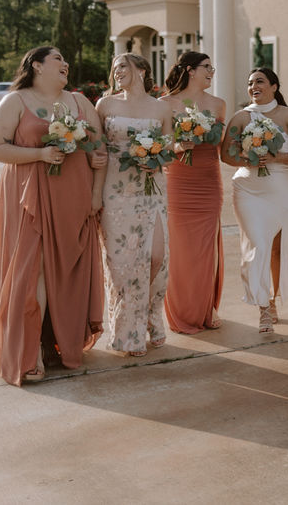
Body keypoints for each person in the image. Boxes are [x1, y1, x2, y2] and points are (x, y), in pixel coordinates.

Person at [0, 46, 105, 385]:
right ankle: (31, 353)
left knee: (67, 271)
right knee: (32, 271)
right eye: (57, 59)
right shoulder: (15, 102)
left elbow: (99, 150)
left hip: (74, 199)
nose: (65, 64)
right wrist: (41, 152)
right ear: (36, 65)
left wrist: (96, 195)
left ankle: (56, 342)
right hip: (30, 198)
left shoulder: (80, 102)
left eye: (66, 60)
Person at [97, 53, 175, 356]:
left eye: (123, 66)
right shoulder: (105, 105)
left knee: (156, 256)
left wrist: (154, 158)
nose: (117, 72)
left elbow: (169, 150)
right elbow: (96, 150)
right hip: (115, 192)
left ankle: (153, 314)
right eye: (114, 67)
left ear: (141, 70)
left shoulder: (161, 107)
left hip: (150, 189)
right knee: (122, 264)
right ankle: (129, 332)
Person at [221, 68, 288, 334]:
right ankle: (263, 307)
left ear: (273, 85)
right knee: (257, 245)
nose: (253, 86)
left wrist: (276, 158)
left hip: (283, 189)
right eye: (249, 83)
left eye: (259, 81)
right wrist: (248, 159)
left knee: (277, 249)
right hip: (249, 189)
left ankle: (272, 300)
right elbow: (226, 155)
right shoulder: (240, 117)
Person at [160, 52, 227, 333]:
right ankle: (181, 312)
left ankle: (204, 310)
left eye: (213, 67)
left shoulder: (219, 104)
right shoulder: (164, 104)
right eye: (207, 67)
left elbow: (223, 148)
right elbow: (159, 146)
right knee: (179, 250)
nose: (212, 72)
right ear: (190, 70)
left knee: (204, 251)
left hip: (208, 182)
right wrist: (177, 146)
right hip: (177, 182)